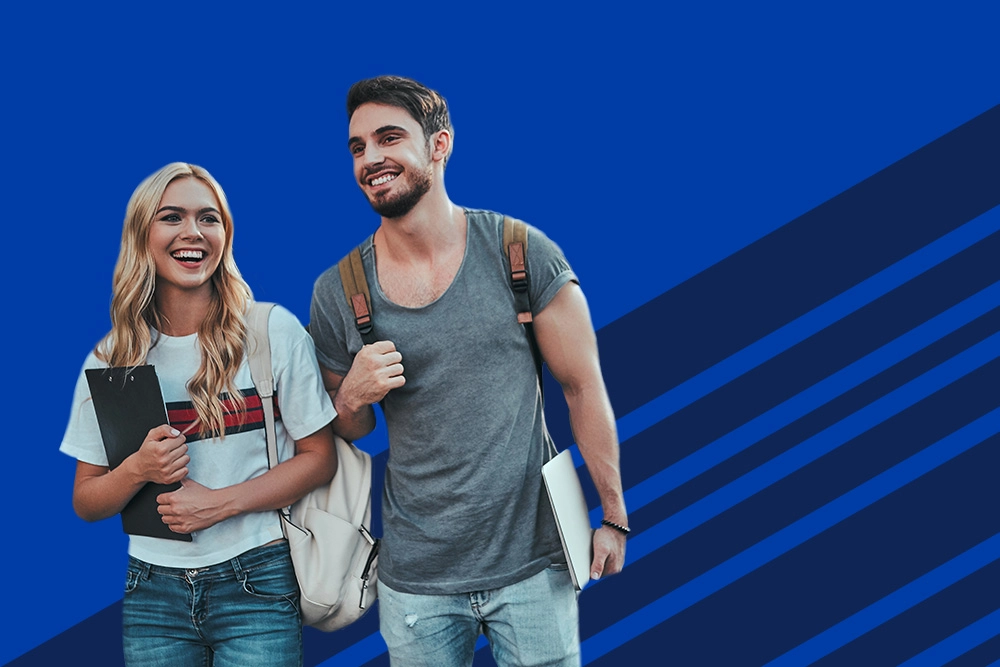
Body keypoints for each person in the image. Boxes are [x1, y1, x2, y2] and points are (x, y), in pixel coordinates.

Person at [308, 75, 628, 667]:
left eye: (388, 138)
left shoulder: (521, 252)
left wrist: (613, 515)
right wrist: (352, 395)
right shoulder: (339, 291)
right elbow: (348, 429)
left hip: (534, 565)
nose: (371, 158)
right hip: (416, 580)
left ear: (439, 144)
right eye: (357, 147)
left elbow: (582, 387)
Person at [60, 162, 338, 667]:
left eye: (208, 218)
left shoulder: (270, 331)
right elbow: (86, 500)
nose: (193, 232)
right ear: (143, 235)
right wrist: (137, 471)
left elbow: (320, 458)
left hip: (257, 577)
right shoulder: (111, 359)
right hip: (152, 591)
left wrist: (222, 503)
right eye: (172, 217)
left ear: (224, 235)